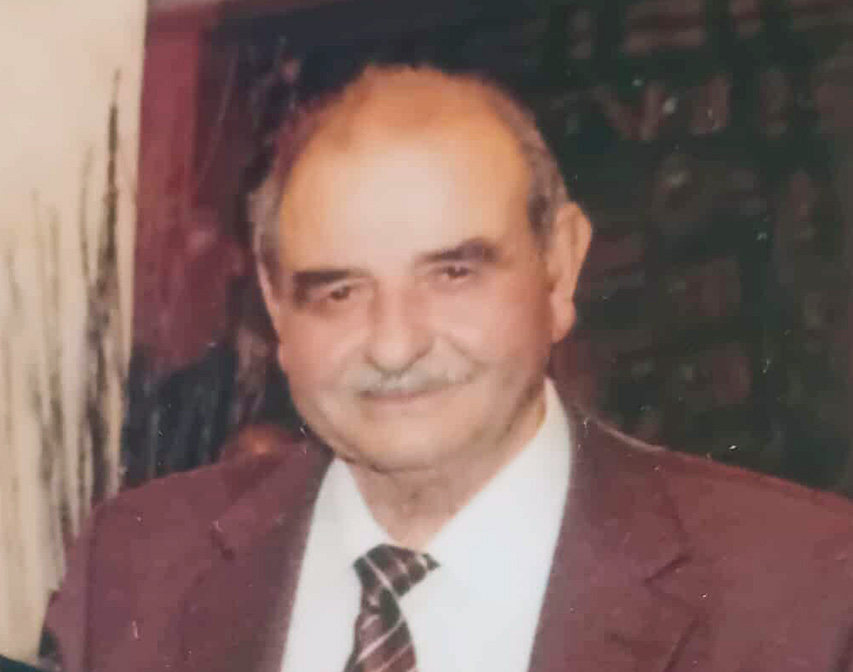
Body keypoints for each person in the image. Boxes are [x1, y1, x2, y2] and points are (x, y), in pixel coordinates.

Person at [43, 65, 853, 672]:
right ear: (275, 304)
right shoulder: (137, 564)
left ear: (560, 268)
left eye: (453, 274)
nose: (394, 345)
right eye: (339, 291)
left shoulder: (807, 594)